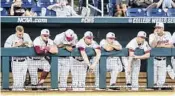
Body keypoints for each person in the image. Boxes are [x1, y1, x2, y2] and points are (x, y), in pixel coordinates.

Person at [4, 25, 33, 91]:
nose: (21, 35)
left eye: (22, 33)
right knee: (17, 80)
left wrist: (26, 44)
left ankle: (21, 90)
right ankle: (15, 91)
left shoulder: (26, 35)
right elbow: (6, 46)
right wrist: (15, 45)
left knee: (22, 79)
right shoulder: (12, 37)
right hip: (16, 60)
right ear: (16, 32)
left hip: (25, 60)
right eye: (19, 34)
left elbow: (31, 44)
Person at [149, 22, 174, 90]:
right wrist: (156, 36)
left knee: (161, 81)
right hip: (154, 59)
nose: (157, 29)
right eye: (156, 28)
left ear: (163, 28)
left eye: (159, 28)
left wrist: (161, 45)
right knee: (153, 82)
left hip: (163, 59)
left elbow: (171, 45)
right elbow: (153, 46)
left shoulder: (168, 34)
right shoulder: (152, 35)